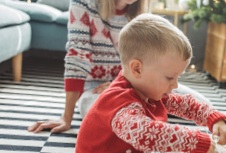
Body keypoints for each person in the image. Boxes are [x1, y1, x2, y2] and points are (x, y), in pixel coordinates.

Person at [71, 13, 226, 153]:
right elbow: (145, 134)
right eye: (169, 78)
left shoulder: (151, 91)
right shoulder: (118, 103)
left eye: (178, 78)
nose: (175, 85)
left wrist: (215, 119)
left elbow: (186, 104)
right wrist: (194, 140)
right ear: (137, 69)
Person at [28, 0, 210, 134]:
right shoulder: (83, 4)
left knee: (205, 106)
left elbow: (147, 64)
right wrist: (66, 117)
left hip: (138, 82)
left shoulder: (139, 12)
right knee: (108, 120)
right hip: (96, 88)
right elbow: (78, 56)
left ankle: (146, 113)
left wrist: (121, 81)